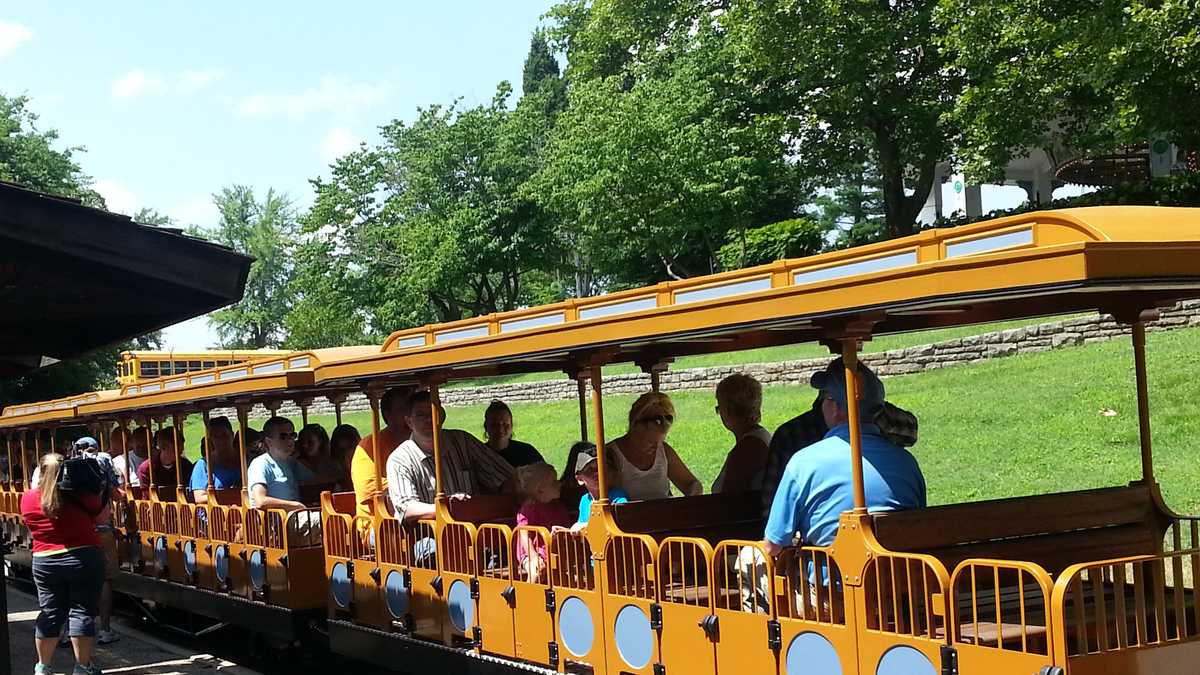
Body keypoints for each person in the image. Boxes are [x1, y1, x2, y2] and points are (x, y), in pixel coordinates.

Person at [762, 358, 926, 556]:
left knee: (746, 559)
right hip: (901, 580)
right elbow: (919, 524)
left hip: (828, 584)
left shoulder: (803, 463)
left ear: (836, 408)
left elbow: (773, 545)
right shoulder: (907, 463)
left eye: (825, 398)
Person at [760, 394, 920, 517]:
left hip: (826, 557)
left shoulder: (801, 460)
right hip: (900, 557)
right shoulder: (907, 463)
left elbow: (774, 536)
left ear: (834, 406)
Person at [20, 453, 106, 675]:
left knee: (49, 613)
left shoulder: (28, 499)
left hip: (45, 561)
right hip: (82, 558)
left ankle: (43, 667)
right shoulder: (79, 495)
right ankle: (83, 667)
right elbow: (101, 514)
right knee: (81, 611)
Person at [386, 389, 515, 523]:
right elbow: (406, 508)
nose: (429, 419)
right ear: (409, 422)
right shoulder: (399, 459)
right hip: (430, 534)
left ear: (442, 416)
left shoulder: (462, 441)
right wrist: (447, 507)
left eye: (433, 412)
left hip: (475, 527)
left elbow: (505, 475)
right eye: (421, 415)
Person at [605, 392, 701, 500]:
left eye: (669, 418)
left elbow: (692, 484)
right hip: (628, 516)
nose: (665, 425)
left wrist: (690, 500)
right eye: (657, 420)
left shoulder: (664, 451)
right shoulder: (611, 454)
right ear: (637, 423)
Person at [72, 437, 121, 646]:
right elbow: (117, 494)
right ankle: (105, 630)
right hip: (101, 528)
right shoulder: (104, 462)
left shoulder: (71, 467)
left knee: (77, 580)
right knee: (104, 580)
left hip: (78, 529)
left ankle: (75, 629)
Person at [352, 387, 411, 532]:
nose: (408, 414)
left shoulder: (422, 442)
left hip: (419, 518)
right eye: (402, 409)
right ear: (387, 415)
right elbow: (368, 488)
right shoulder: (368, 446)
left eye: (411, 408)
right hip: (377, 524)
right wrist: (410, 484)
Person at [711, 374, 772, 494]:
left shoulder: (748, 448)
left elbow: (729, 499)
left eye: (719, 408)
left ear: (727, 411)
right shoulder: (760, 437)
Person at [514, 462, 571, 582]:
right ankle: (527, 598)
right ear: (540, 490)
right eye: (554, 482)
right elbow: (524, 535)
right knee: (536, 571)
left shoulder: (558, 507)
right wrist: (534, 557)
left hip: (551, 550)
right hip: (530, 551)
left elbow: (565, 526)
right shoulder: (529, 508)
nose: (559, 484)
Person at [247, 416, 315, 512]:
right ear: (269, 441)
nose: (290, 440)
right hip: (275, 521)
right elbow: (260, 501)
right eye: (283, 436)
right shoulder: (260, 464)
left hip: (296, 517)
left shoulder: (291, 462)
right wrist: (296, 505)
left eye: (292, 435)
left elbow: (315, 479)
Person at [563, 443, 629, 532]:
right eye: (589, 469)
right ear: (579, 479)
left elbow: (618, 522)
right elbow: (580, 528)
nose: (597, 473)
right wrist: (566, 531)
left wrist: (585, 526)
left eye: (602, 468)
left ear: (612, 473)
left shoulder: (618, 496)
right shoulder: (584, 500)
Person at [189, 417, 241, 504]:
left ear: (232, 435)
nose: (221, 440)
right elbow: (199, 497)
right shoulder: (203, 464)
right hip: (215, 513)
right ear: (210, 439)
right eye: (216, 436)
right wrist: (228, 496)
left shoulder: (244, 460)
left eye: (225, 435)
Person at [483, 400, 544, 467]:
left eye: (505, 424)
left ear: (511, 426)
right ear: (486, 427)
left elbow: (547, 474)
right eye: (494, 425)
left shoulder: (527, 452)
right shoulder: (478, 454)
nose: (500, 429)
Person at [112, 426, 149, 490]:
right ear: (132, 442)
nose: (142, 447)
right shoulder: (118, 462)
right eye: (139, 445)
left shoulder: (158, 458)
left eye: (145, 445)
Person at [329, 424, 361, 492]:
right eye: (342, 450)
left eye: (350, 447)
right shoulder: (336, 481)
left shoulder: (369, 470)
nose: (347, 454)